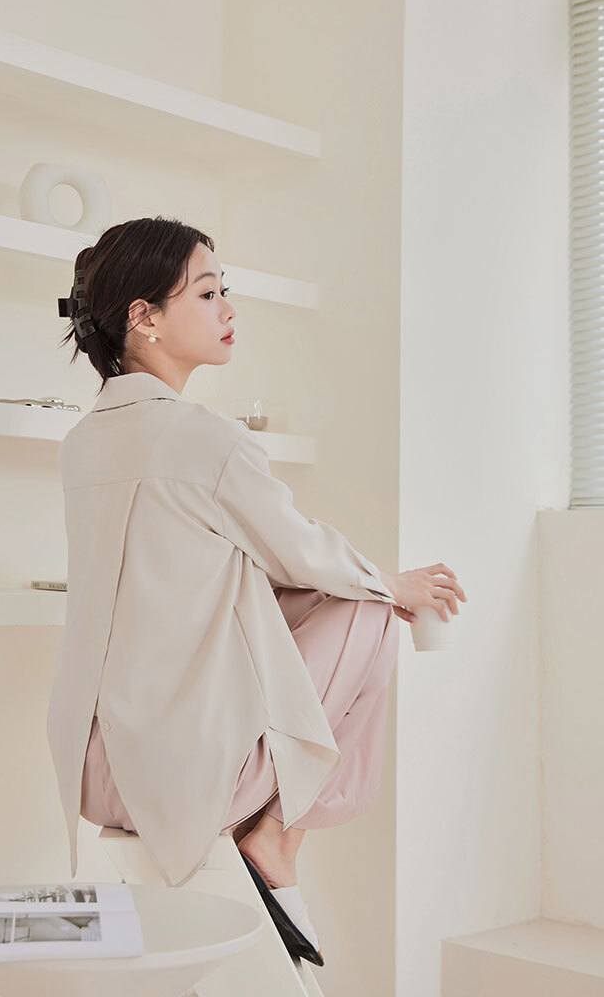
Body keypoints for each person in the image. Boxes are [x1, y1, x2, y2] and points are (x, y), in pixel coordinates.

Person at [47, 216, 467, 965]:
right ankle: (278, 835)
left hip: (94, 770)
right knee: (369, 609)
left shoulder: (82, 444)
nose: (228, 310)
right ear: (145, 318)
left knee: (319, 597)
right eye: (208, 294)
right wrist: (394, 585)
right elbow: (301, 550)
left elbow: (240, 572)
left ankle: (273, 831)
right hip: (178, 780)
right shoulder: (206, 440)